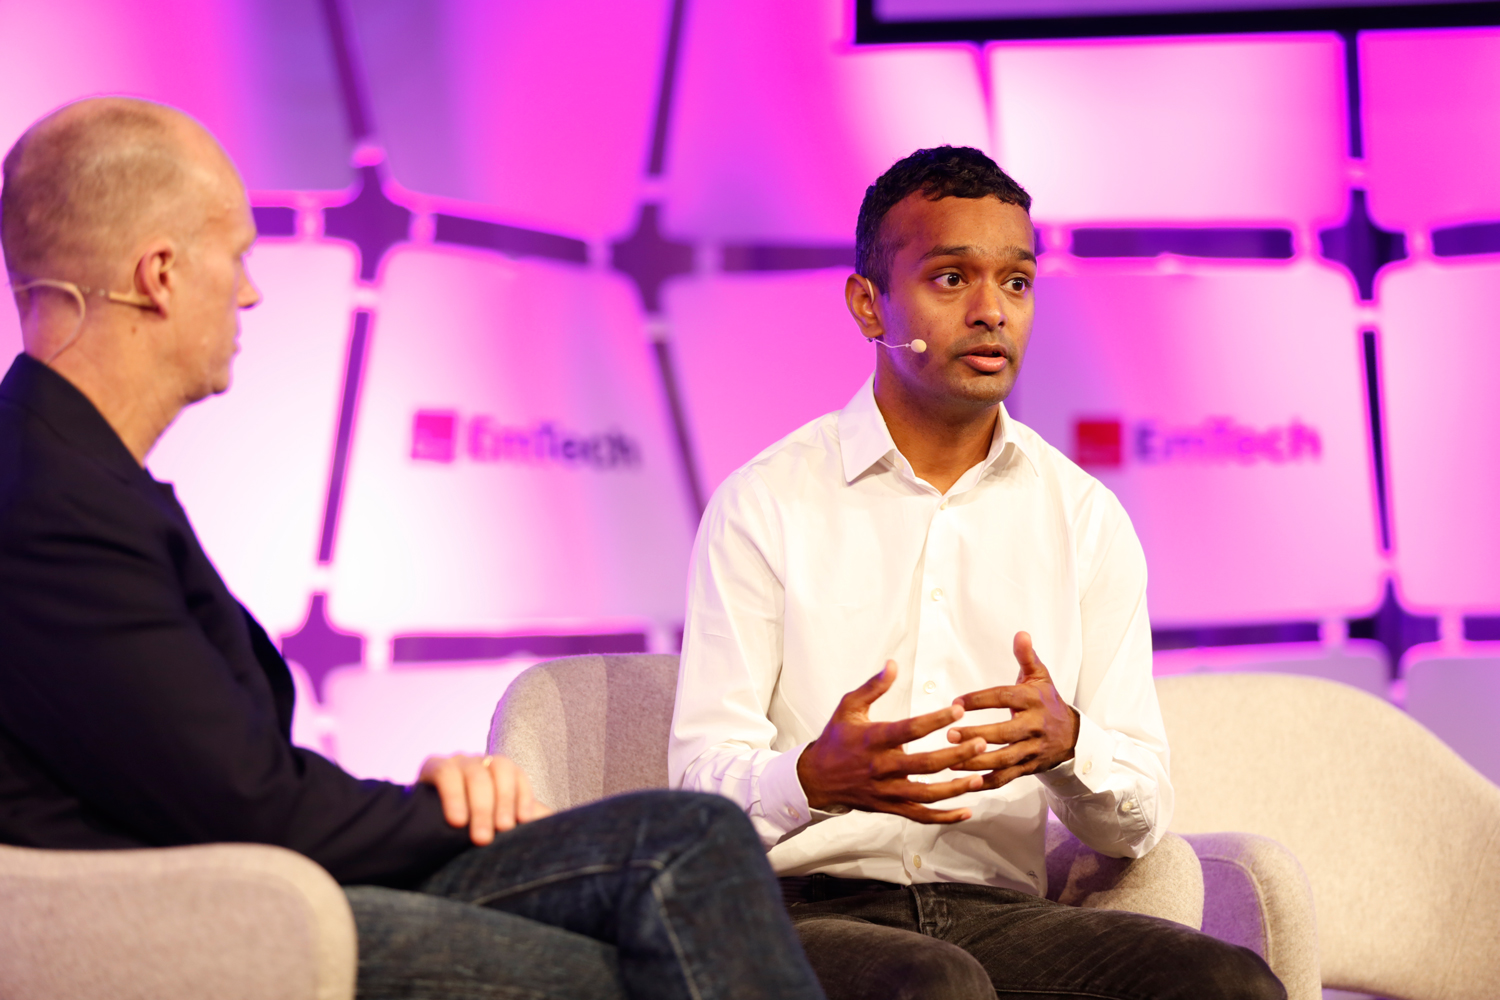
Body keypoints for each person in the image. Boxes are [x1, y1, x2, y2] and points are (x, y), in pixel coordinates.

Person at [0, 97, 825, 1000]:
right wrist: (440, 814)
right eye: (234, 255)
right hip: (188, 916)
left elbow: (210, 763)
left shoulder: (72, 475)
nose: (250, 290)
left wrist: (429, 797)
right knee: (647, 923)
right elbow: (241, 803)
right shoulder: (51, 500)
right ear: (159, 274)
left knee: (685, 841)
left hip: (248, 873)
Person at [668, 146, 1285, 1000]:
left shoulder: (1083, 518)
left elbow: (1140, 815)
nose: (993, 311)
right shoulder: (765, 503)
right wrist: (810, 780)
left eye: (1018, 283)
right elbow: (696, 791)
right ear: (869, 305)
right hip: (798, 913)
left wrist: (1071, 745)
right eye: (952, 279)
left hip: (996, 911)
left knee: (1228, 983)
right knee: (935, 983)